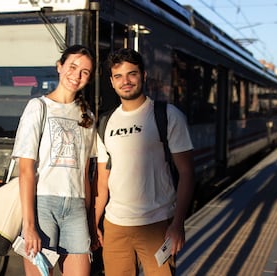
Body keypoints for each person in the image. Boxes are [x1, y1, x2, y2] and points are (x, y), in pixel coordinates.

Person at [93, 48, 195, 276]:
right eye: (118, 76)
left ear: (144, 75)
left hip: (157, 223)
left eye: (132, 74)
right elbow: (103, 180)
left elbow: (187, 172)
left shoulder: (168, 115)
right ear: (111, 81)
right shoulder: (105, 123)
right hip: (115, 226)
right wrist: (95, 221)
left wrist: (178, 224)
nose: (125, 81)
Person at [12, 45, 96, 276]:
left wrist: (89, 219)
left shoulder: (87, 117)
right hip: (42, 207)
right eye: (73, 66)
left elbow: (85, 173)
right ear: (60, 67)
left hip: (76, 208)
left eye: (85, 72)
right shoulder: (37, 107)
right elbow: (26, 170)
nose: (77, 75)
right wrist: (29, 225)